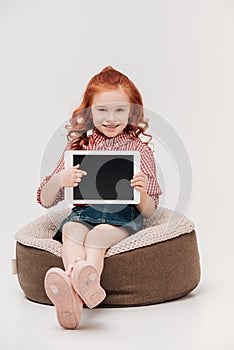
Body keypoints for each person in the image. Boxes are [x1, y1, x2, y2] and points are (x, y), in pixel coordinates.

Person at [36, 66, 162, 329]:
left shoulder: (139, 149)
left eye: (119, 110)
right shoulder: (80, 146)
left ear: (132, 111)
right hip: (83, 213)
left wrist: (139, 192)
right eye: (102, 110)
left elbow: (150, 210)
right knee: (71, 230)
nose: (111, 118)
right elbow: (46, 199)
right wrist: (61, 179)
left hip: (121, 217)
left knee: (96, 236)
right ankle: (77, 290)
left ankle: (82, 288)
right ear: (89, 112)